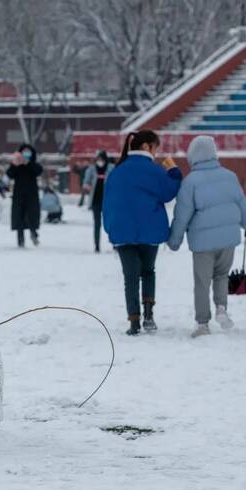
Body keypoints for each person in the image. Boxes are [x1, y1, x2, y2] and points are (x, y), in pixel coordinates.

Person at [168, 135, 246, 337]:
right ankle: (221, 309)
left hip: (203, 244)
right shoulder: (230, 176)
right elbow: (242, 204)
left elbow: (182, 215)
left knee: (202, 282)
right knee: (222, 276)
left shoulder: (190, 182)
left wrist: (174, 241)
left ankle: (202, 323)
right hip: (228, 240)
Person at [103, 129, 182, 335]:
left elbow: (107, 203)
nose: (157, 152)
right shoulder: (155, 171)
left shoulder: (117, 172)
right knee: (148, 271)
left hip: (122, 231)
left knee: (130, 277)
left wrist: (110, 227)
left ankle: (134, 321)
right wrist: (173, 171)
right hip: (150, 230)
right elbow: (168, 192)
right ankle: (148, 315)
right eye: (156, 147)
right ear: (146, 147)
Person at [7, 144, 42, 247]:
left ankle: (33, 233)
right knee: (19, 217)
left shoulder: (33, 164)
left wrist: (28, 163)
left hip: (31, 194)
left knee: (31, 215)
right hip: (19, 194)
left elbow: (39, 171)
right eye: (24, 151)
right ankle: (20, 240)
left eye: (28, 151)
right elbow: (10, 174)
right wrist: (15, 164)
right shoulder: (17, 164)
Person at [83, 150, 114, 252]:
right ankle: (97, 245)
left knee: (111, 224)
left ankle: (115, 243)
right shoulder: (91, 170)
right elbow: (86, 182)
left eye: (101, 159)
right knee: (97, 224)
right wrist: (88, 187)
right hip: (95, 200)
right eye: (98, 159)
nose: (100, 161)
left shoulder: (111, 169)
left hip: (108, 201)